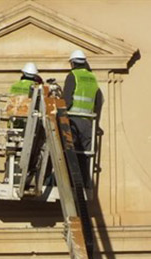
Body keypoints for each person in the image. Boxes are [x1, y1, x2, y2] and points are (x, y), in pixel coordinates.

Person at [62, 50, 103, 187]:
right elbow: (98, 101)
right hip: (88, 122)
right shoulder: (92, 77)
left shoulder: (73, 75)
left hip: (73, 120)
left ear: (72, 63)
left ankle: (72, 182)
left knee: (70, 152)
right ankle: (85, 183)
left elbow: (67, 100)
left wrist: (60, 115)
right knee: (85, 154)